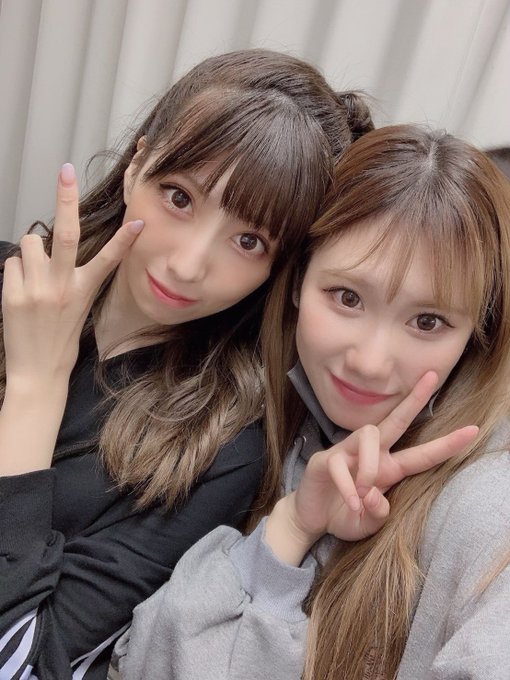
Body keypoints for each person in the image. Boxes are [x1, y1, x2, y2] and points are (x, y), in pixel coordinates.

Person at [0, 49, 376, 680]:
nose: (188, 263)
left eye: (248, 240)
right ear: (136, 165)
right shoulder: (10, 279)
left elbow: (20, 661)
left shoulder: (216, 452)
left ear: (279, 269)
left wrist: (34, 389)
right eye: (179, 197)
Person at [115, 124, 510, 680]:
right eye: (347, 297)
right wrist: (293, 527)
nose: (370, 361)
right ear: (299, 279)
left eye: (428, 322)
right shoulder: (252, 422)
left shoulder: (487, 499)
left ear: (475, 334)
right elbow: (138, 659)